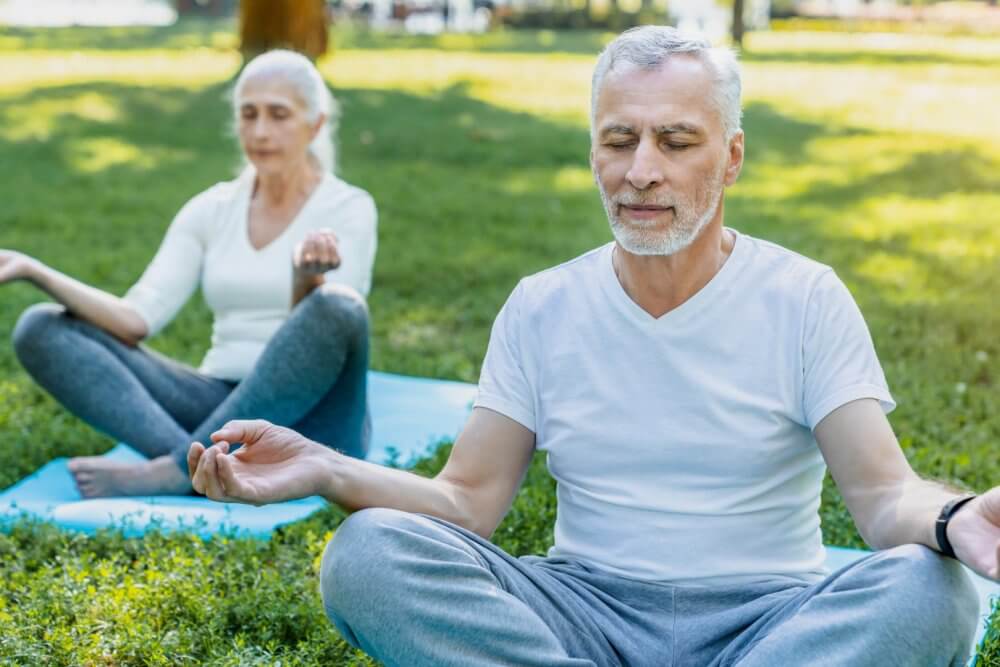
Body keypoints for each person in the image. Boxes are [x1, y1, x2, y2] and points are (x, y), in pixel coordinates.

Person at [187, 27, 997, 666]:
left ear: (733, 156)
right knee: (365, 553)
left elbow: (887, 498)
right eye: (619, 141)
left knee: (938, 587)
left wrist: (956, 518)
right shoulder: (542, 306)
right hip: (581, 614)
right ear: (592, 152)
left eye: (677, 142)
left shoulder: (805, 295)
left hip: (771, 621)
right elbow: (467, 502)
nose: (641, 171)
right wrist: (325, 466)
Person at [3, 49, 377, 497]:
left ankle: (178, 472)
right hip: (218, 405)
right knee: (40, 327)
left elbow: (325, 339)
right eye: (248, 114)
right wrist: (34, 269)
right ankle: (207, 466)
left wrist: (306, 279)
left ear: (315, 125)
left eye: (279, 115)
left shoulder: (348, 207)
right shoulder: (210, 209)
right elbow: (136, 318)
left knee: (336, 306)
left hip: (320, 421)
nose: (260, 132)